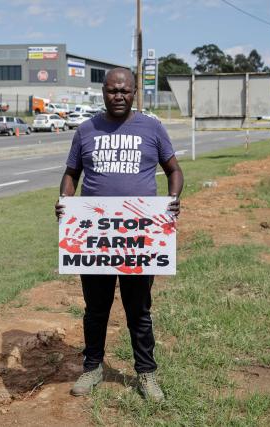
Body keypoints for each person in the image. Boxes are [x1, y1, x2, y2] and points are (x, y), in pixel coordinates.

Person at [55, 68, 184, 402]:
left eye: (125, 91)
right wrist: (66, 204)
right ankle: (93, 367)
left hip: (139, 237)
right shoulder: (86, 130)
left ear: (135, 92)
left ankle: (146, 374)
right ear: (102, 92)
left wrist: (172, 201)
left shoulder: (152, 128)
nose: (119, 96)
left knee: (138, 310)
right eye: (113, 90)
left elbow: (174, 170)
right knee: (95, 309)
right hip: (95, 238)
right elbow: (71, 174)